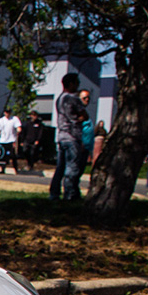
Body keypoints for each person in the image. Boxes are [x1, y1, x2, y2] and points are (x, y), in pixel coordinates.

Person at [52, 73, 88, 201]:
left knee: (60, 167)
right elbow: (84, 115)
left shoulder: (60, 99)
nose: (78, 85)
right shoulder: (73, 99)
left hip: (61, 136)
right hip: (72, 136)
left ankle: (54, 193)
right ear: (71, 84)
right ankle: (69, 194)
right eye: (76, 83)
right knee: (72, 167)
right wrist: (80, 117)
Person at [0, 107, 22, 174]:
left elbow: (18, 127)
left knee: (13, 156)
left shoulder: (14, 119)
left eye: (9, 112)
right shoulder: (1, 120)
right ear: (4, 112)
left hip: (11, 140)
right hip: (2, 140)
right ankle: (2, 169)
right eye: (6, 112)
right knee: (3, 156)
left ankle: (16, 170)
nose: (7, 114)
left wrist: (18, 130)